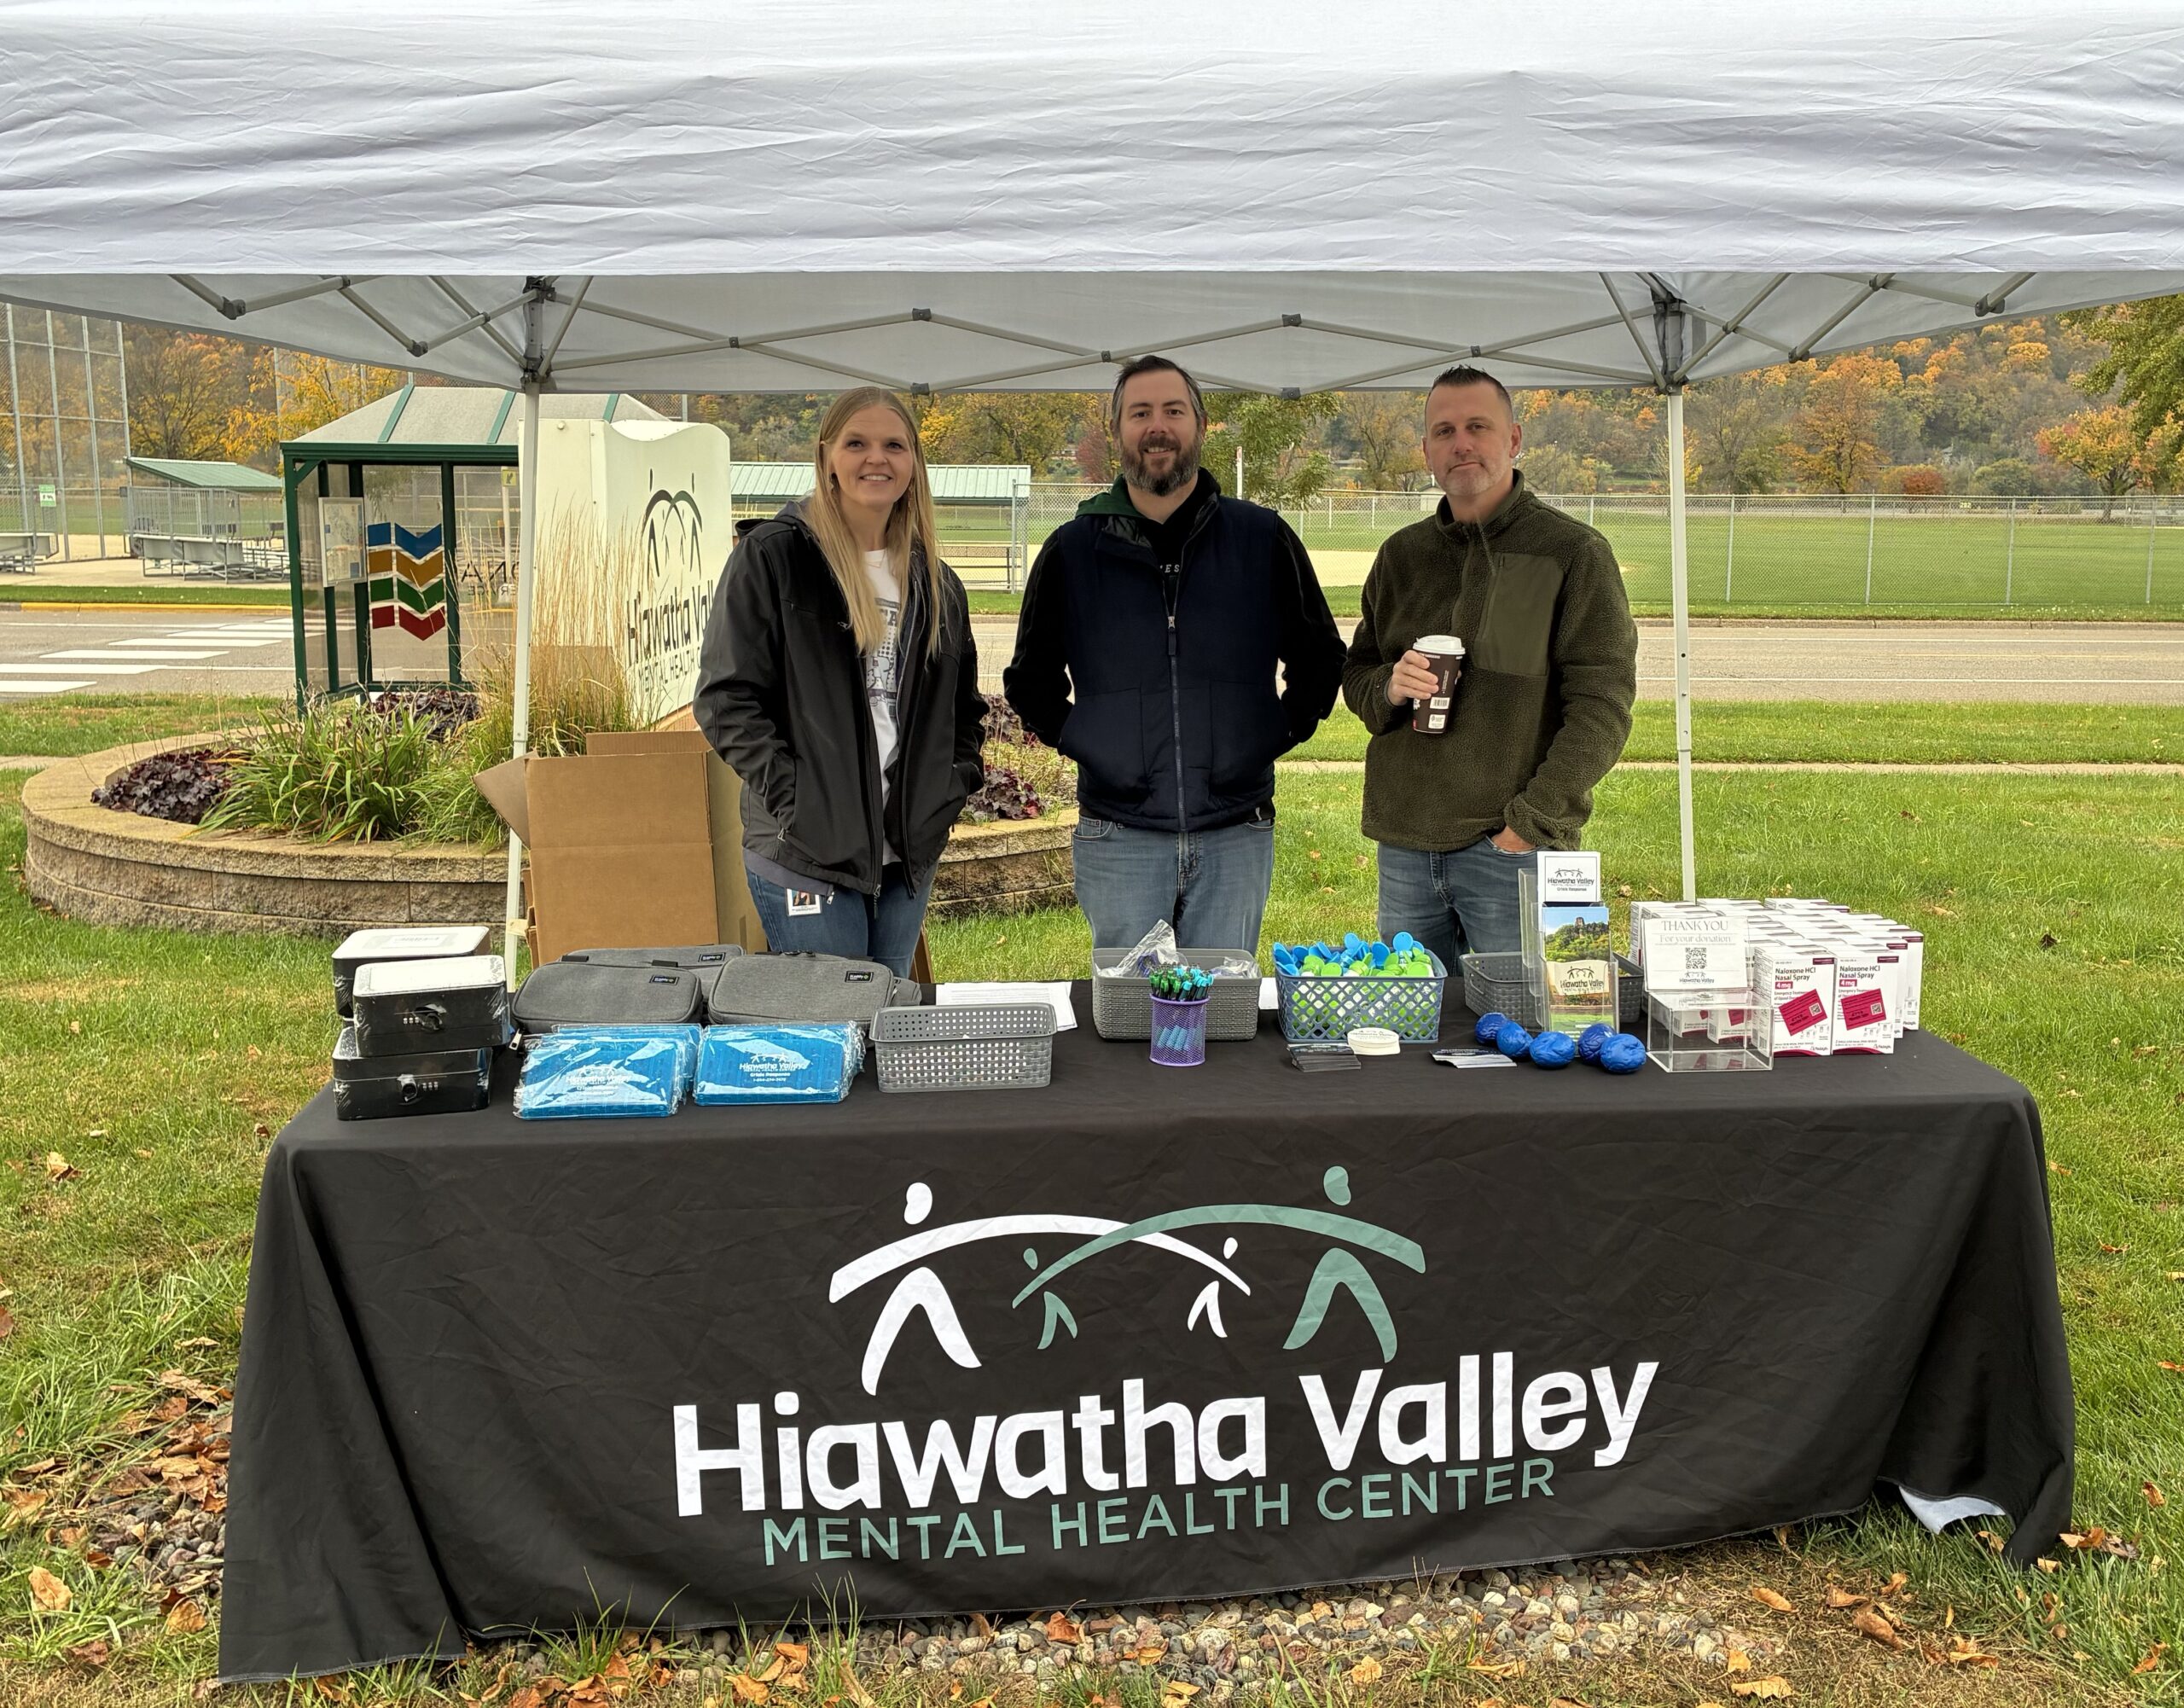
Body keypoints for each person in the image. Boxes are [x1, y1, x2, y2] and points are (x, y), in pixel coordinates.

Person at [1004, 356, 1345, 953]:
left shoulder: (1262, 538)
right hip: (1119, 834)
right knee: (1131, 1021)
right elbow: (1030, 680)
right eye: (1140, 413)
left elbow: (1319, 657)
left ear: (1201, 425)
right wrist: (1093, 741)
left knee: (1220, 1018)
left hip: (1235, 832)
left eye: (1172, 411)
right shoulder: (1071, 551)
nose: (1156, 426)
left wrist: (1270, 734)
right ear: (1119, 432)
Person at [1341, 365, 1637, 967]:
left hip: (1513, 849)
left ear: (1514, 439)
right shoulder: (1402, 555)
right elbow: (1358, 672)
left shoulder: (1573, 553)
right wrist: (1387, 686)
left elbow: (1602, 709)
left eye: (1478, 426)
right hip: (1404, 846)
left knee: (1534, 1030)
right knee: (1413, 1029)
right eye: (1444, 431)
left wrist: (1530, 825)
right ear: (1426, 450)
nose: (1461, 444)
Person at [694, 386, 985, 978]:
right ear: (827, 456)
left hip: (904, 855)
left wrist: (946, 793)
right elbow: (725, 699)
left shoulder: (936, 582)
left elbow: (966, 712)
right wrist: (795, 803)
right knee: (833, 1028)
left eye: (893, 446)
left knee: (885, 1023)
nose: (876, 459)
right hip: (807, 854)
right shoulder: (773, 558)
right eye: (857, 443)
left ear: (914, 463)